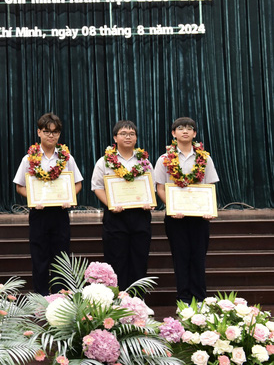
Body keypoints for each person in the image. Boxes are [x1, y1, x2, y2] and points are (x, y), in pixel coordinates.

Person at [13, 112, 83, 295]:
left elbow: (78, 184)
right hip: (39, 214)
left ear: (59, 134)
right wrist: (33, 199)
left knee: (61, 258)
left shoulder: (67, 158)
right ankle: (41, 300)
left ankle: (60, 300)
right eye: (47, 131)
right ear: (39, 133)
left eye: (55, 132)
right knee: (39, 258)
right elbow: (19, 187)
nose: (51, 135)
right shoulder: (28, 159)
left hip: (60, 213)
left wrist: (70, 198)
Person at [154, 117, 219, 303]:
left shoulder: (204, 158)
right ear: (174, 133)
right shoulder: (164, 159)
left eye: (189, 128)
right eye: (180, 128)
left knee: (198, 259)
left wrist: (209, 210)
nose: (185, 131)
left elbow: (210, 186)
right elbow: (160, 187)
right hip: (176, 217)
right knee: (180, 259)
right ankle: (183, 300)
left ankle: (200, 300)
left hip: (200, 217)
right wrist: (172, 207)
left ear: (195, 134)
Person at [91, 120, 153, 289]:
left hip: (140, 216)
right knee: (116, 260)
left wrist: (149, 202)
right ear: (115, 137)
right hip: (115, 217)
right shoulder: (104, 162)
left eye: (132, 134)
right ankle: (118, 301)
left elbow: (151, 187)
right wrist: (110, 204)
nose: (128, 137)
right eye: (124, 134)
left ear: (136, 138)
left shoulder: (145, 162)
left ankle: (138, 301)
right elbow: (96, 187)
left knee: (139, 259)